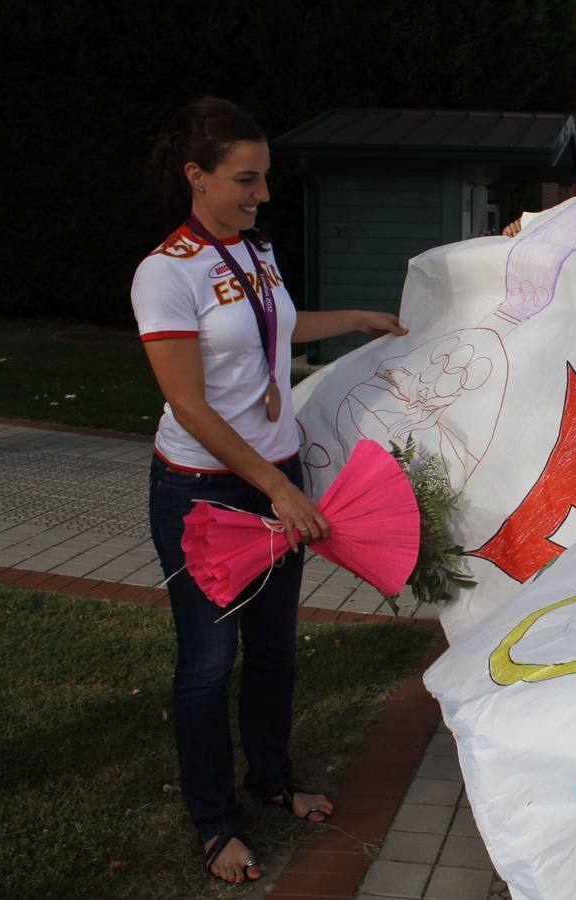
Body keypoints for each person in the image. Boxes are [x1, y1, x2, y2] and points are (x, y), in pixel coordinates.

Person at [132, 96, 408, 885]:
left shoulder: (255, 252)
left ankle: (272, 778)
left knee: (276, 650)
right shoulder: (165, 273)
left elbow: (272, 327)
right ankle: (216, 824)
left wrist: (352, 317)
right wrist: (273, 490)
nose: (261, 194)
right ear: (197, 177)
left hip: (275, 478)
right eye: (245, 180)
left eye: (265, 178)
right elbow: (188, 401)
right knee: (210, 661)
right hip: (204, 491)